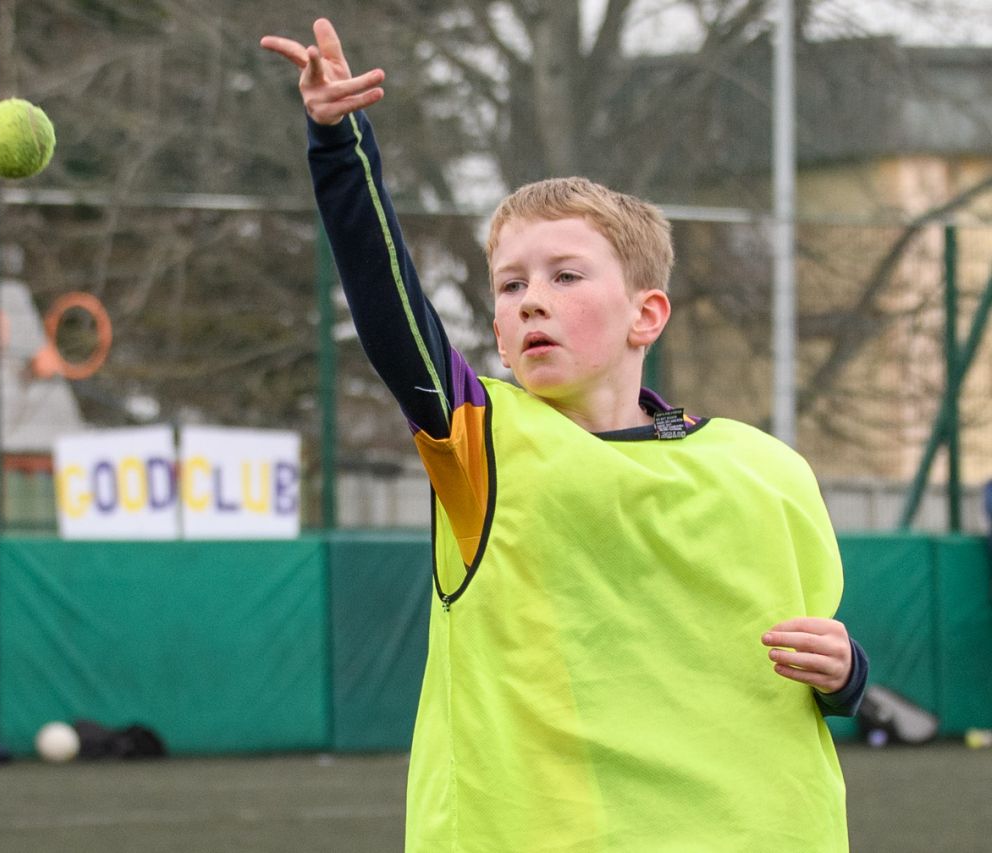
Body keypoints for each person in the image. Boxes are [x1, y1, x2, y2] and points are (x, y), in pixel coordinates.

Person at [262, 19, 868, 851]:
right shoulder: (482, 445)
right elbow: (388, 302)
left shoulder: (764, 467)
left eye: (565, 275)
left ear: (645, 312)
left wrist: (845, 673)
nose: (529, 299)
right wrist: (337, 143)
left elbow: (802, 661)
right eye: (509, 285)